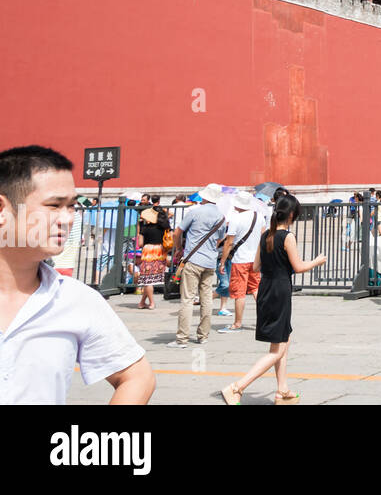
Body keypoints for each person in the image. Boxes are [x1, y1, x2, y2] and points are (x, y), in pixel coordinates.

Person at [0, 146, 155, 404]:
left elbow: (138, 377)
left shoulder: (76, 300)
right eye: (54, 206)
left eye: (71, 206)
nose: (67, 219)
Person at [222, 194, 327, 404]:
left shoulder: (266, 236)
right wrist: (317, 261)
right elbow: (298, 267)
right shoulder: (287, 237)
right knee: (277, 350)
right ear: (291, 215)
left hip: (266, 288)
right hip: (280, 290)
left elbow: (255, 267)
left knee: (282, 341)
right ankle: (237, 387)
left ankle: (282, 390)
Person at [167, 183, 226, 348]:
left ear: (205, 196)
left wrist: (179, 248)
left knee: (187, 299)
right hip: (209, 262)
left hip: (193, 260)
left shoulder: (195, 212)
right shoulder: (221, 217)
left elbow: (177, 232)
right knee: (206, 298)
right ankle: (203, 335)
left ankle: (182, 338)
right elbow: (221, 239)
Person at [218, 192, 264, 333]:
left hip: (240, 260)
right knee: (256, 289)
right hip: (255, 259)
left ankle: (237, 323)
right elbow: (262, 236)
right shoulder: (259, 216)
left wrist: (222, 261)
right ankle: (264, 321)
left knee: (239, 293)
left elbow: (229, 242)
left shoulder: (236, 219)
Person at [134, 203, 169, 309]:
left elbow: (140, 243)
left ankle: (151, 303)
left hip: (148, 251)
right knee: (151, 279)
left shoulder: (145, 228)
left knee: (148, 279)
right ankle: (142, 302)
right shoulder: (164, 227)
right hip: (160, 251)